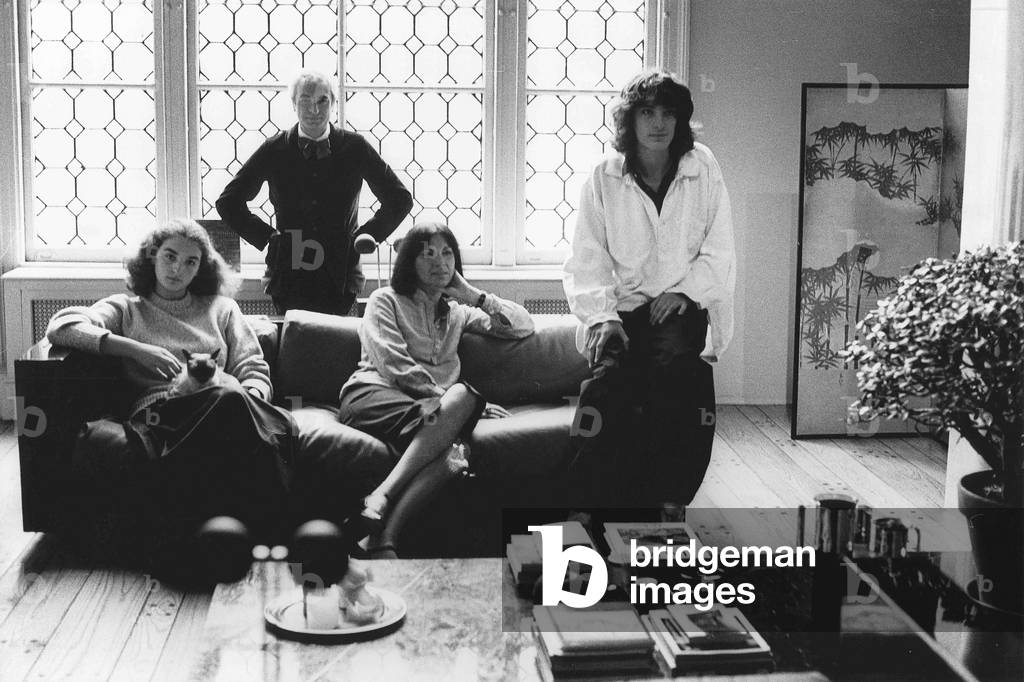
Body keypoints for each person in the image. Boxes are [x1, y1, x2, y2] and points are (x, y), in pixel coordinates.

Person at [46, 218, 295, 553]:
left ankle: (199, 538)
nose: (178, 268)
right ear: (152, 257)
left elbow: (253, 368)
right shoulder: (127, 309)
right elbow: (62, 326)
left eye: (190, 261)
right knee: (239, 413)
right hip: (162, 414)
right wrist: (135, 349)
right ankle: (275, 537)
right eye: (170, 256)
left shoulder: (223, 309)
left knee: (232, 401)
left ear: (200, 269)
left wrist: (248, 402)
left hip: (227, 405)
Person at [562, 69, 735, 507]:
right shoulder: (604, 176)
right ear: (630, 120)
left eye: (668, 113)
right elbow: (588, 256)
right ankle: (584, 506)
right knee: (604, 386)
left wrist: (685, 293)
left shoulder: (704, 167)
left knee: (675, 371)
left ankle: (667, 503)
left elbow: (720, 247)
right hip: (623, 309)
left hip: (682, 307)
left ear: (680, 121)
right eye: (646, 112)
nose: (658, 123)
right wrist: (602, 317)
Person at [337, 222, 535, 557]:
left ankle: (383, 538)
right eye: (427, 253)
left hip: (431, 413)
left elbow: (522, 326)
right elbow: (392, 362)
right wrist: (454, 407)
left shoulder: (458, 312)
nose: (439, 262)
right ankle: (383, 497)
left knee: (456, 457)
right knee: (462, 399)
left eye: (447, 253)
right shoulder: (384, 300)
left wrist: (475, 296)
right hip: (374, 395)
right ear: (409, 261)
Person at [215, 69, 413, 315]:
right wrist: (268, 238)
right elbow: (228, 202)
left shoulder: (355, 147)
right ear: (293, 104)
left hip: (340, 273)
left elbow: (400, 199)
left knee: (336, 346)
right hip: (289, 273)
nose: (314, 110)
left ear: (334, 104)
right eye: (305, 101)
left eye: (322, 101)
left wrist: (363, 238)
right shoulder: (274, 149)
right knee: (293, 346)